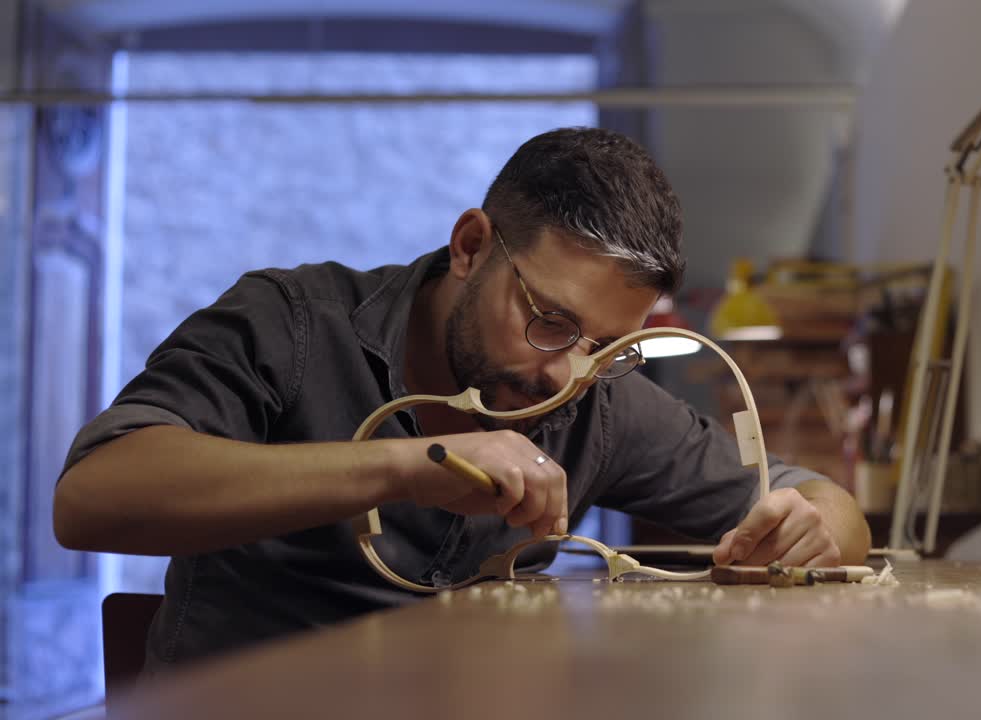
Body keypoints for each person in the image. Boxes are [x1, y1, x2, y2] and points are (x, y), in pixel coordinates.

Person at [54, 127, 870, 669]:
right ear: (471, 245)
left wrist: (810, 529)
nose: (566, 374)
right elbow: (92, 498)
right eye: (549, 321)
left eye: (606, 345)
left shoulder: (596, 397)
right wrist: (406, 465)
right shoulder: (292, 325)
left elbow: (823, 502)